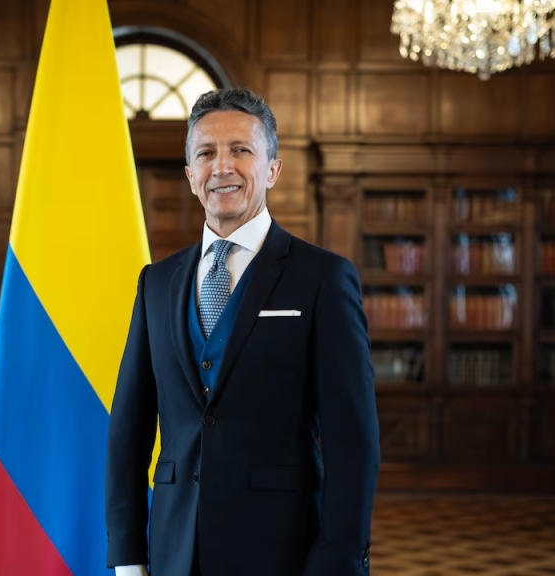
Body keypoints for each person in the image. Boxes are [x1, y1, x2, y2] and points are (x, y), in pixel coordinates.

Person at [105, 87, 380, 576]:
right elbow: (129, 430)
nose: (222, 166)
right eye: (206, 153)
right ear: (191, 175)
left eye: (241, 150)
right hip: (172, 551)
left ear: (273, 168)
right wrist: (128, 556)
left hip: (283, 551)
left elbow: (352, 443)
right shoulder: (157, 282)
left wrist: (337, 559)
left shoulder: (322, 278)